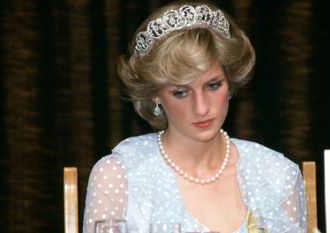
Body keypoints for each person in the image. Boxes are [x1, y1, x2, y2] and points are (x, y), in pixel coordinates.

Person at [83, 1, 307, 233]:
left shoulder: (277, 176)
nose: (201, 108)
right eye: (180, 92)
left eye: (212, 85)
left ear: (230, 82)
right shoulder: (119, 177)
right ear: (155, 95)